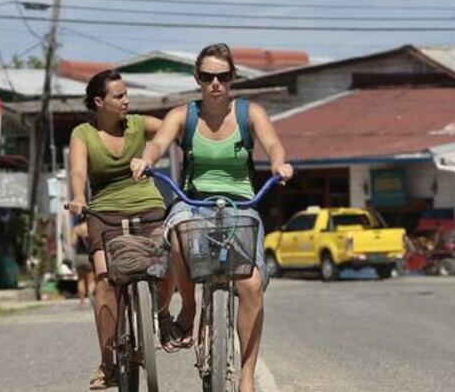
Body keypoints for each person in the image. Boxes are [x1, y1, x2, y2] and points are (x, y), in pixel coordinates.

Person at [129, 43, 293, 392]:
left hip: (242, 206)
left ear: (232, 78)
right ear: (197, 79)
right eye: (207, 76)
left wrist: (279, 164)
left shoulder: (251, 114)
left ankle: (246, 377)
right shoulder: (182, 115)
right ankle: (188, 309)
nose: (215, 83)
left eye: (222, 76)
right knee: (177, 234)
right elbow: (157, 144)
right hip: (195, 201)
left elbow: (274, 144)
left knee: (250, 286)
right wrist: (145, 159)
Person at [66, 69, 166, 390]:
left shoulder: (139, 124)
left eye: (126, 94)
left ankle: (164, 320)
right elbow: (78, 173)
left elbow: (174, 129)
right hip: (104, 212)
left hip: (149, 205)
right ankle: (108, 362)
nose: (126, 100)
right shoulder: (83, 134)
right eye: (118, 95)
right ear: (99, 101)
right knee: (104, 280)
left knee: (169, 259)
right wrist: (79, 197)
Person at [71, 216, 95, 308]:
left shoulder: (77, 228)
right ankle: (90, 293)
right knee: (91, 280)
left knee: (81, 280)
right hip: (89, 255)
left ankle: (81, 301)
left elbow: (72, 243)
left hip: (79, 256)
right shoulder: (91, 227)